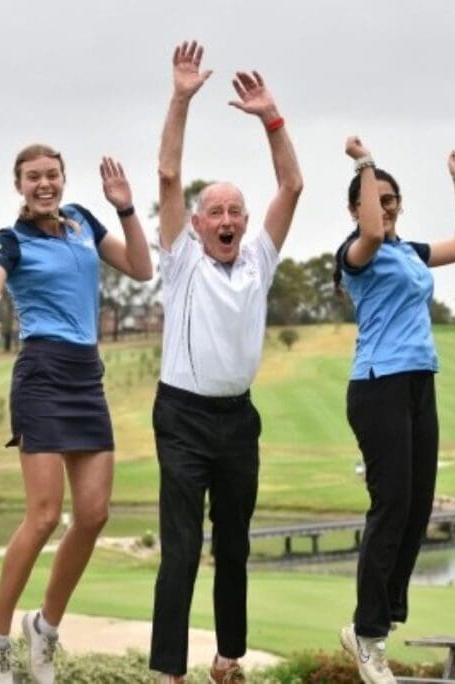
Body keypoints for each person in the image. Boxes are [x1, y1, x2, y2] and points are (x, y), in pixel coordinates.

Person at [0, 147, 152, 683]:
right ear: (19, 184)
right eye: (33, 177)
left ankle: (45, 628)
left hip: (86, 374)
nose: (44, 184)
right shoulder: (10, 241)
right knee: (43, 516)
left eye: (51, 175)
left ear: (63, 179)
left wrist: (126, 209)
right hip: (42, 373)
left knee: (94, 513)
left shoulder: (82, 221)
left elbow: (141, 268)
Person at [149, 41, 303, 684]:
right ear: (196, 223)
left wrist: (272, 119)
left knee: (233, 545)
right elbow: (167, 175)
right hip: (182, 418)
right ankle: (170, 671)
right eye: (215, 211)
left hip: (238, 420)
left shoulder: (258, 261)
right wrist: (181, 98)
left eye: (236, 211)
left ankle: (228, 658)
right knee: (183, 547)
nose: (227, 219)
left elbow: (292, 185)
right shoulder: (181, 259)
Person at [333, 137, 455, 683]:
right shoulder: (356, 253)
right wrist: (365, 163)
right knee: (392, 504)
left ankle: (380, 619)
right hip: (379, 385)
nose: (386, 207)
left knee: (418, 508)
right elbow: (373, 232)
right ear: (356, 208)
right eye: (376, 199)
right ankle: (368, 633)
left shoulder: (410, 252)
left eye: (393, 199)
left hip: (420, 382)